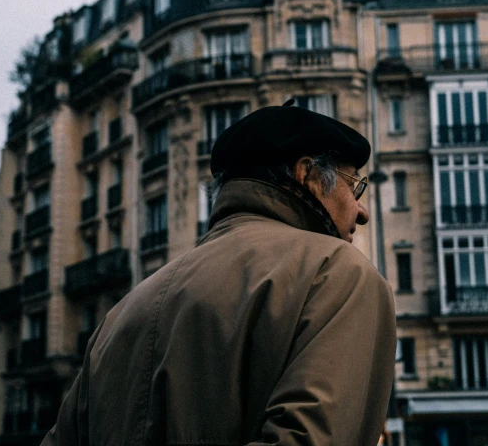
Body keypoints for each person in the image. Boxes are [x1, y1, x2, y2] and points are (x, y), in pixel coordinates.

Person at [42, 103, 397, 445]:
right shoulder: (336, 272)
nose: (361, 210)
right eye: (354, 186)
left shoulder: (122, 312)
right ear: (308, 176)